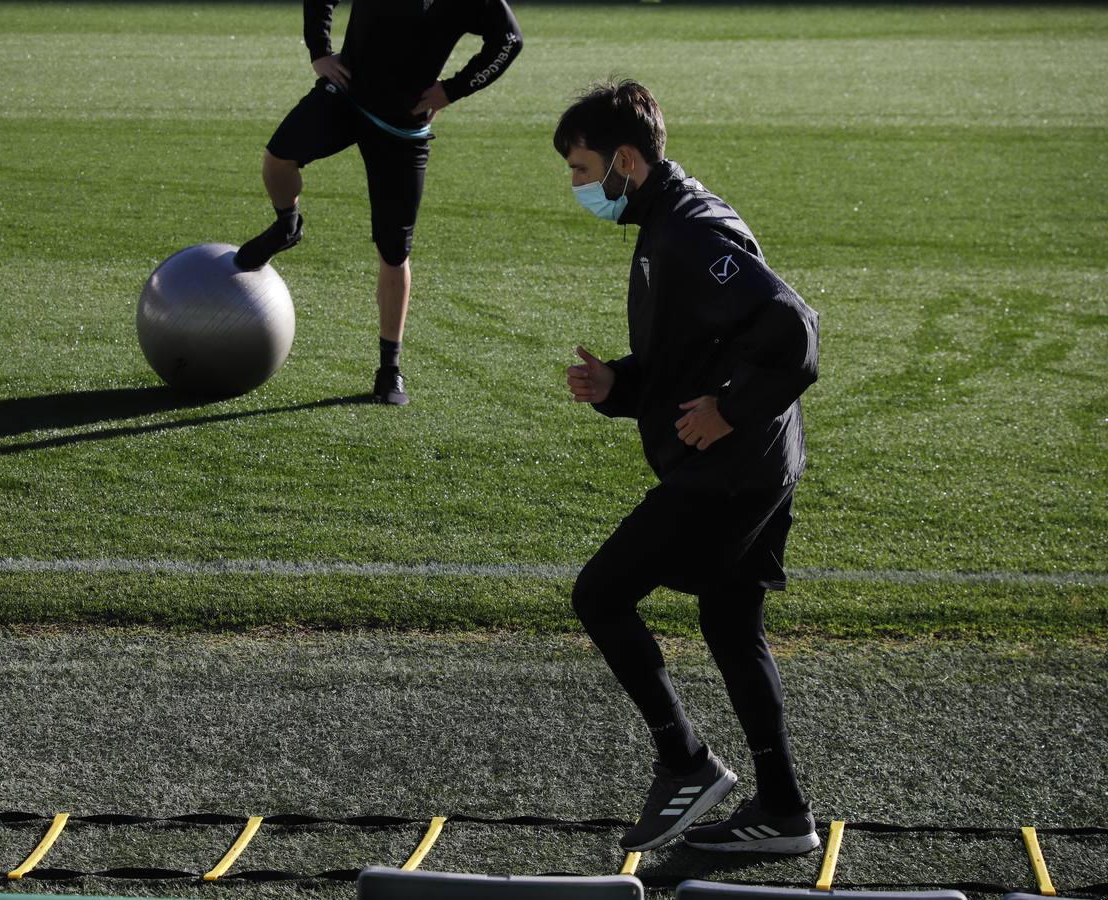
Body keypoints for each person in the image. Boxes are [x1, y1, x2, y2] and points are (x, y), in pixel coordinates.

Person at [555, 80, 822, 854]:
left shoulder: (686, 235)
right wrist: (618, 385)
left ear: (626, 161)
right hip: (761, 463)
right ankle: (783, 812)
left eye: (581, 169)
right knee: (731, 626)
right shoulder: (672, 217)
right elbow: (697, 355)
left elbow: (795, 334)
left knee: (601, 595)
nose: (576, 187)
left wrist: (728, 412)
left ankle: (685, 761)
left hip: (731, 468)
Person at [234, 0, 524, 405]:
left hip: (404, 123)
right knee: (278, 158)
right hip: (346, 97)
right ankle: (287, 224)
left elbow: (509, 41)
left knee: (394, 251)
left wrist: (451, 90)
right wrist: (320, 50)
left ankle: (390, 370)